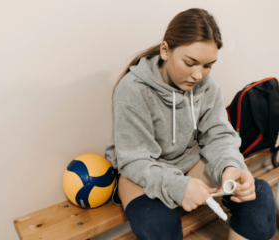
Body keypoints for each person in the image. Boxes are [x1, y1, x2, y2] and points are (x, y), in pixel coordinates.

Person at [104, 8, 276, 240]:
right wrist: (178, 186)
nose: (198, 75)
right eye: (190, 62)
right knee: (157, 225)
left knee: (259, 198)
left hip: (189, 162)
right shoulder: (133, 89)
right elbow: (134, 160)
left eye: (207, 65)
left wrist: (230, 167)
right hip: (144, 170)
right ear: (165, 50)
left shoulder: (207, 86)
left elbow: (219, 135)